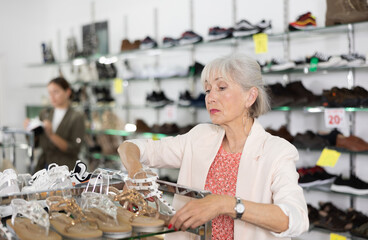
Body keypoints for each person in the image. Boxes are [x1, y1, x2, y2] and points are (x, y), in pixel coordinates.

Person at [118, 54, 309, 240]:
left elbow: (295, 219)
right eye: (208, 90)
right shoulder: (199, 137)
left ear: (250, 97)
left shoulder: (277, 151)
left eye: (222, 88)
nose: (210, 98)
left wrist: (225, 204)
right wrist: (136, 173)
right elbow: (130, 147)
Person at [25, 77, 85, 172]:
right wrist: (30, 130)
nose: (52, 97)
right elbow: (35, 144)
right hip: (43, 166)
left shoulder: (76, 117)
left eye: (56, 92)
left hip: (66, 169)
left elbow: (74, 149)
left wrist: (52, 135)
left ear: (67, 92)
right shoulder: (44, 114)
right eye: (50, 93)